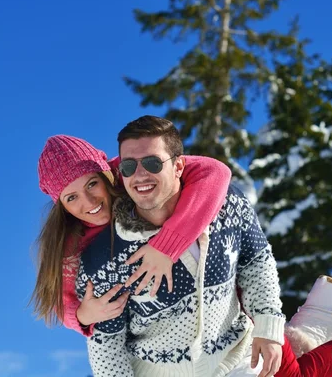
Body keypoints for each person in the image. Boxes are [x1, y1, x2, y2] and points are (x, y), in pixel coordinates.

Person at [68, 116, 332, 377]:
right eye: (129, 167)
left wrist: (268, 326)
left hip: (235, 353)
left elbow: (256, 260)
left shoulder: (223, 204)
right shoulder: (104, 258)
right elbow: (107, 346)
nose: (140, 176)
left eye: (152, 162)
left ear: (179, 166)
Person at [31, 133, 233, 336]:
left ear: (106, 174)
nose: (90, 202)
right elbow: (62, 301)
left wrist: (167, 246)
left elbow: (214, 171)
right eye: (72, 197)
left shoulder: (130, 171)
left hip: (217, 303)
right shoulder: (69, 243)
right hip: (149, 333)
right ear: (62, 205)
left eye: (92, 184)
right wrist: (83, 315)